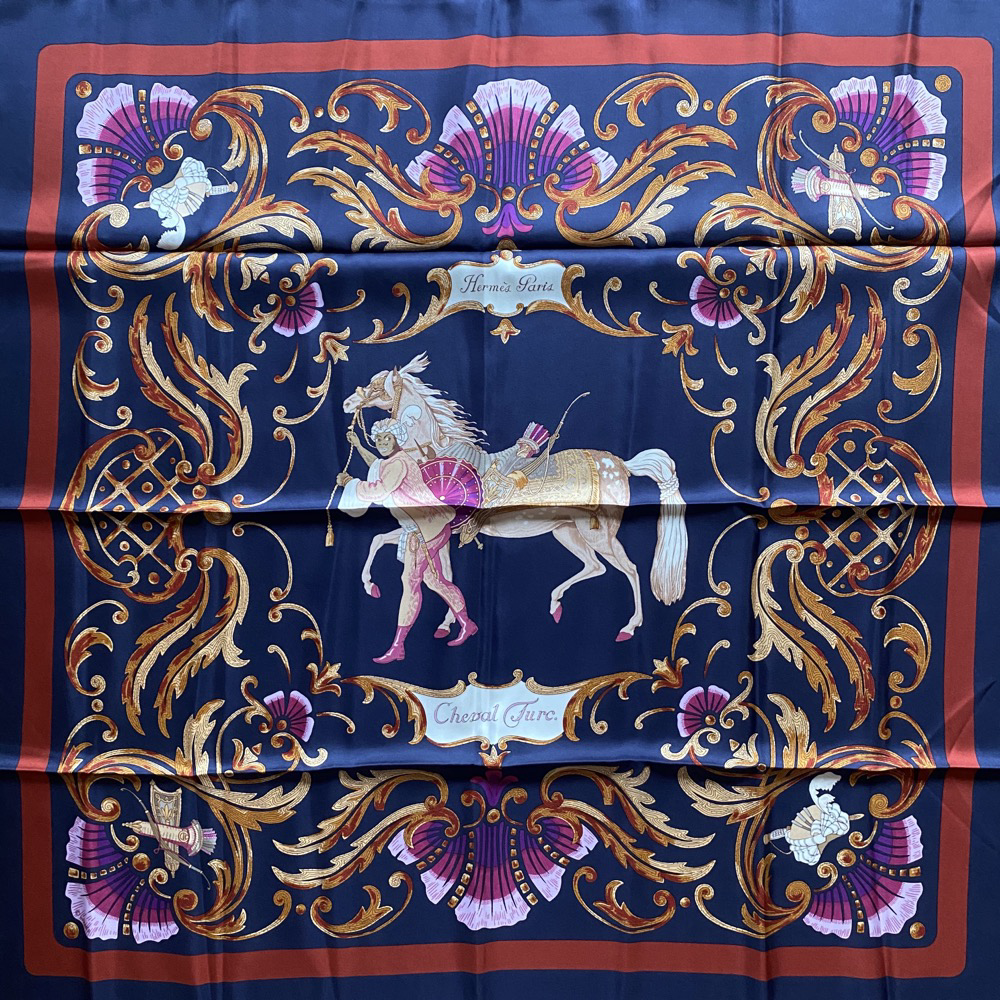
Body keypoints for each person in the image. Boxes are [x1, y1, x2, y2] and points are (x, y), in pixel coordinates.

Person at [337, 418, 478, 663]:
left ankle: (398, 646)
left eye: (387, 438)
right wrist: (359, 447)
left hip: (424, 530)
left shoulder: (399, 463)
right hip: (426, 526)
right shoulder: (394, 461)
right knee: (435, 582)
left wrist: (351, 483)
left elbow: (379, 489)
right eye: (378, 439)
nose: (382, 442)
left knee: (410, 581)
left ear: (397, 439)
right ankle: (467, 624)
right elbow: (377, 467)